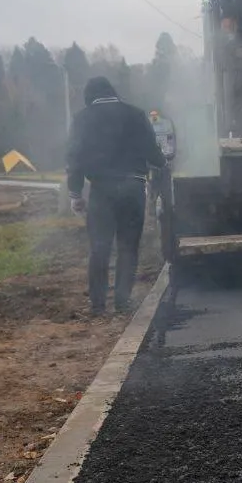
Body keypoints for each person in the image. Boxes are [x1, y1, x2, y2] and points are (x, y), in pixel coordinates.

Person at [66, 77, 166, 316]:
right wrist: (162, 161)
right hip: (133, 188)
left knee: (99, 247)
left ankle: (98, 305)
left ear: (90, 96)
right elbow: (153, 154)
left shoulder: (82, 118)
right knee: (128, 246)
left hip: (101, 190)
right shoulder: (136, 114)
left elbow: (75, 158)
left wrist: (75, 193)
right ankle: (122, 301)